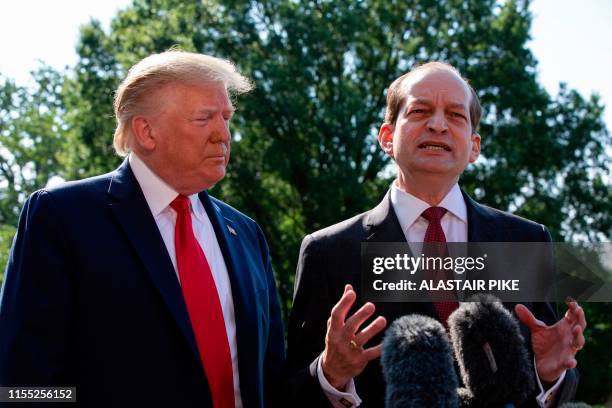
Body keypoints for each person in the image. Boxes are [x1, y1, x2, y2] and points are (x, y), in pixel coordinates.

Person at [286, 62, 586, 407]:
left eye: (456, 116)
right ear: (387, 137)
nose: (438, 125)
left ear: (474, 147)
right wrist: (331, 373)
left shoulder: (526, 241)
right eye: (419, 111)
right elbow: (291, 391)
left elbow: (553, 377)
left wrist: (548, 375)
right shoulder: (328, 252)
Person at [0, 51, 285, 407]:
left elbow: (273, 379)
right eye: (204, 118)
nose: (223, 134)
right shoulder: (61, 217)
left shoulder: (245, 234)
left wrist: (327, 372)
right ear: (146, 130)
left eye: (226, 117)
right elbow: (23, 386)